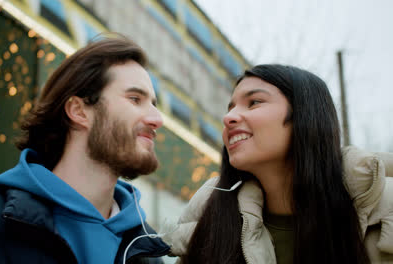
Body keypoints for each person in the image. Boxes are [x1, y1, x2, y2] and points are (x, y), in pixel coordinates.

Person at [0, 34, 170, 264]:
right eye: (135, 99)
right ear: (78, 111)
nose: (157, 118)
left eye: (154, 104)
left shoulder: (148, 253)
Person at [162, 64, 393, 263]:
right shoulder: (208, 212)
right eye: (230, 108)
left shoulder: (383, 207)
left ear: (305, 116)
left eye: (254, 102)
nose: (228, 118)